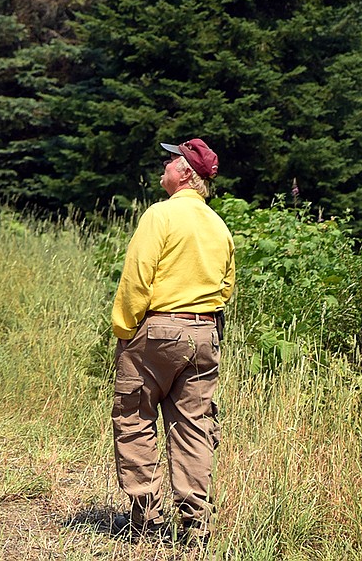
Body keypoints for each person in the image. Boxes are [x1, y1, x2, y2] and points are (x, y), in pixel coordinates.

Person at [109, 137, 235, 549]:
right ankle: (195, 529)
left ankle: (146, 521)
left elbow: (137, 277)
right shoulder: (219, 225)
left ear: (184, 173)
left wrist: (125, 329)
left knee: (136, 417)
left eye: (170, 160)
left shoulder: (160, 215)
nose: (163, 166)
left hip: (158, 330)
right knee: (194, 428)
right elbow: (226, 286)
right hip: (205, 334)